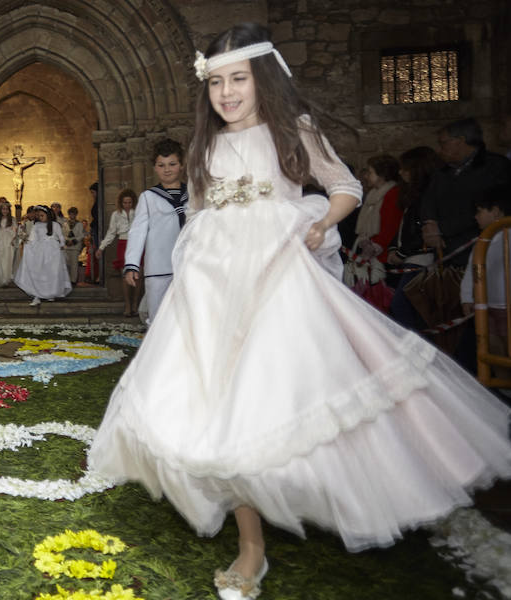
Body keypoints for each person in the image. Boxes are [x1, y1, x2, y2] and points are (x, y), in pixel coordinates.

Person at [87, 23, 511, 600]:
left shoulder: (294, 131)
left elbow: (344, 186)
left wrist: (321, 222)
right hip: (213, 287)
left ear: (261, 79)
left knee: (275, 395)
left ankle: (343, 489)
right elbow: (203, 214)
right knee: (215, 402)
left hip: (278, 276)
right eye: (216, 82)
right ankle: (251, 543)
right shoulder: (204, 146)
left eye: (238, 79)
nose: (228, 93)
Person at [421, 117, 511, 267]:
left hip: (478, 248)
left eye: (443, 143)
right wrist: (430, 224)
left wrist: (442, 228)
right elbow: (428, 198)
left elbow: (493, 206)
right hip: (444, 250)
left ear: (460, 141)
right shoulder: (442, 170)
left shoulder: (496, 167)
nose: (439, 149)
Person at [123, 138, 189, 323]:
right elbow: (137, 232)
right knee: (159, 318)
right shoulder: (148, 197)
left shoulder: (193, 194)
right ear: (154, 167)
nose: (167, 169)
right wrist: (132, 265)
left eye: (172, 164)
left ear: (182, 165)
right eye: (161, 165)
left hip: (190, 264)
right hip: (159, 266)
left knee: (188, 316)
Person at [387, 146, 443, 329]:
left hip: (420, 259)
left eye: (405, 168)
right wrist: (394, 248)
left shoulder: (427, 196)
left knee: (402, 305)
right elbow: (405, 227)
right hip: (411, 257)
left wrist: (402, 253)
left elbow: (420, 231)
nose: (401, 172)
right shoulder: (413, 196)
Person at [460, 185, 511, 378]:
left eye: (480, 211)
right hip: (486, 307)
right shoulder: (483, 240)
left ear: (496, 212)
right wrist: (466, 297)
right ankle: (504, 394)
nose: (475, 217)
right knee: (492, 350)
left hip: (507, 307)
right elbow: (471, 272)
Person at [342, 154, 402, 311]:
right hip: (366, 248)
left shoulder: (392, 193)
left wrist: (375, 246)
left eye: (369, 172)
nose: (366, 176)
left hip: (379, 254)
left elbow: (390, 224)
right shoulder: (373, 195)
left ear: (382, 174)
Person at [14, 205, 72, 306]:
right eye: (38, 216)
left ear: (48, 215)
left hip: (53, 251)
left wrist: (62, 245)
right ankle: (37, 294)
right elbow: (33, 239)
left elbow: (61, 237)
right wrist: (27, 241)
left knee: (51, 272)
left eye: (42, 215)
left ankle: (50, 293)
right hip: (40, 251)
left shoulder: (55, 225)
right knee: (40, 271)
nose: (40, 218)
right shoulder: (36, 226)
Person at [97, 188, 139, 316]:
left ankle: (135, 305)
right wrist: (101, 247)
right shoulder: (116, 214)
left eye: (129, 202)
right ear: (121, 203)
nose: (127, 205)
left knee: (138, 275)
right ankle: (127, 305)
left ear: (133, 202)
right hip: (123, 242)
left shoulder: (138, 213)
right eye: (125, 202)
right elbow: (111, 232)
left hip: (137, 243)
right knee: (125, 275)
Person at [0, 200, 17, 287]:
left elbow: (15, 232)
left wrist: (13, 240)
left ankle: (7, 279)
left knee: (8, 261)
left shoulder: (12, 219)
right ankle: (0, 279)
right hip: (0, 241)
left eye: (6, 209)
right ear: (0, 210)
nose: (5, 211)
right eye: (3, 209)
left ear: (9, 210)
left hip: (9, 242)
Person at [63, 206, 85, 283]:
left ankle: (73, 280)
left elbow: (81, 235)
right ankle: (67, 280)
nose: (72, 216)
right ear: (69, 214)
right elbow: (62, 234)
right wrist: (66, 241)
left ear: (76, 215)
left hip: (75, 247)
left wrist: (74, 241)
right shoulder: (65, 224)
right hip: (67, 246)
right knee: (67, 264)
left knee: (74, 264)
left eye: (73, 214)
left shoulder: (79, 224)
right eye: (70, 214)